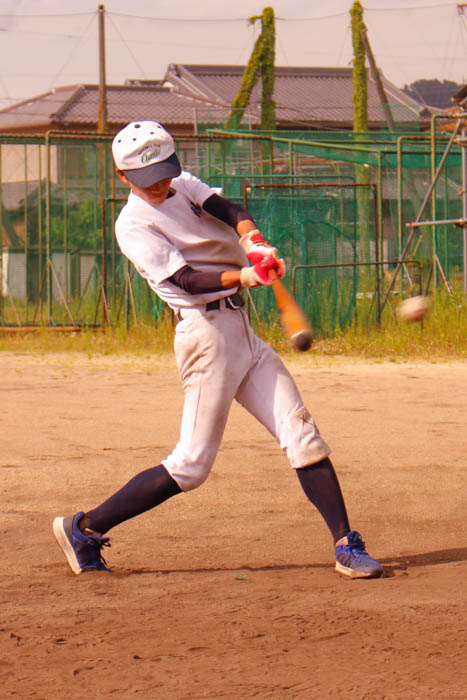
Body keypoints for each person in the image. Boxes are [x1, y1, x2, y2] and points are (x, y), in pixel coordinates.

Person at [53, 121, 383, 580]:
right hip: (204, 337)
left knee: (302, 434)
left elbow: (228, 207)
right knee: (190, 467)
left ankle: (346, 544)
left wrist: (253, 239)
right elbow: (186, 281)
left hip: (241, 330)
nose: (161, 184)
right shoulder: (132, 225)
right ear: (122, 176)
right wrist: (246, 276)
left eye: (165, 172)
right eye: (147, 179)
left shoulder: (182, 186)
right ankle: (84, 528)